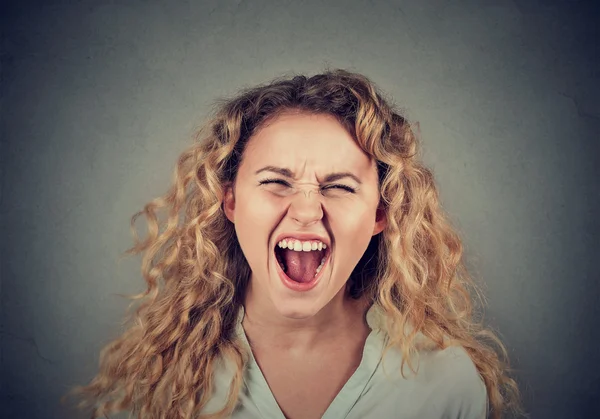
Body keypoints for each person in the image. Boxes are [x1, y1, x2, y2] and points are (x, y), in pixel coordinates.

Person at [65, 69, 523, 419]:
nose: (306, 210)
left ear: (381, 214)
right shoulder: (161, 377)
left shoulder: (444, 383)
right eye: (275, 181)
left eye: (340, 187)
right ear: (230, 200)